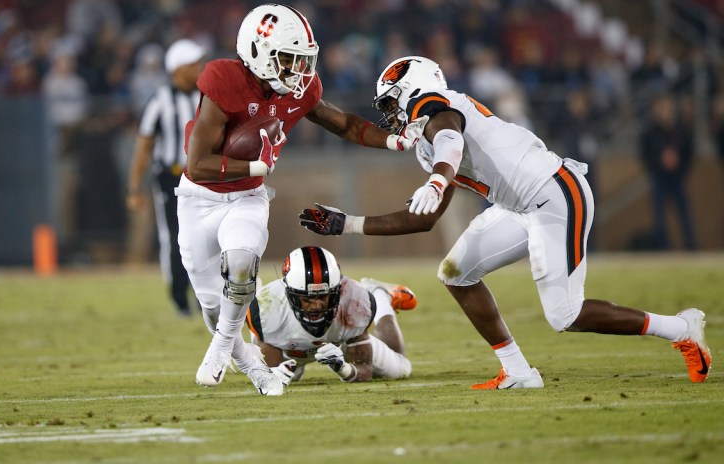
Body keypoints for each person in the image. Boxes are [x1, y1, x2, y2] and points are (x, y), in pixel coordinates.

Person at [299, 55, 711, 389]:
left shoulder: (438, 108)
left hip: (555, 194)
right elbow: (422, 219)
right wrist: (345, 224)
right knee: (455, 272)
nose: (389, 114)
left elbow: (450, 138)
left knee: (564, 315)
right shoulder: (425, 148)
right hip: (518, 207)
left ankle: (680, 328)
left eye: (391, 102)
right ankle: (517, 370)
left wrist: (439, 179)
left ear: (413, 92)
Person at [176, 4, 422, 396]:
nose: (300, 69)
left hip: (246, 199)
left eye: (304, 59)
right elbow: (198, 164)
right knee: (211, 305)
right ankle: (248, 364)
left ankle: (221, 349)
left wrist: (393, 140)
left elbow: (342, 122)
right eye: (289, 58)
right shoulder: (224, 79)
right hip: (197, 198)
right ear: (257, 52)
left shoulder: (300, 88)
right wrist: (258, 165)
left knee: (241, 265)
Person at [246, 246, 416, 385]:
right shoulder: (267, 310)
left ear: (337, 291)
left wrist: (343, 368)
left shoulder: (354, 301)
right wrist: (275, 376)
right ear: (291, 294)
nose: (317, 305)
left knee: (402, 368)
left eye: (323, 296)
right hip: (286, 346)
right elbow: (269, 381)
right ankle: (252, 286)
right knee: (289, 377)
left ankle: (379, 293)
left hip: (338, 340)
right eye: (308, 298)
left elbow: (364, 370)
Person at [127, 39, 206, 317]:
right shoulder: (161, 100)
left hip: (205, 178)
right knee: (174, 238)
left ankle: (203, 297)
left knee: (206, 238)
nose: (198, 68)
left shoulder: (207, 97)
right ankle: (179, 298)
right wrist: (135, 187)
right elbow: (144, 145)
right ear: (177, 68)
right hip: (172, 178)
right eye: (192, 64)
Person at [639, 94, 697, 251]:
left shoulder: (682, 129)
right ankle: (662, 248)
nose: (663, 111)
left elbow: (690, 153)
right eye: (659, 108)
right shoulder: (649, 131)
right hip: (659, 178)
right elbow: (645, 155)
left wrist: (681, 167)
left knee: (684, 213)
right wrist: (660, 163)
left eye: (665, 107)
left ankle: (691, 246)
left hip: (678, 178)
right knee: (659, 216)